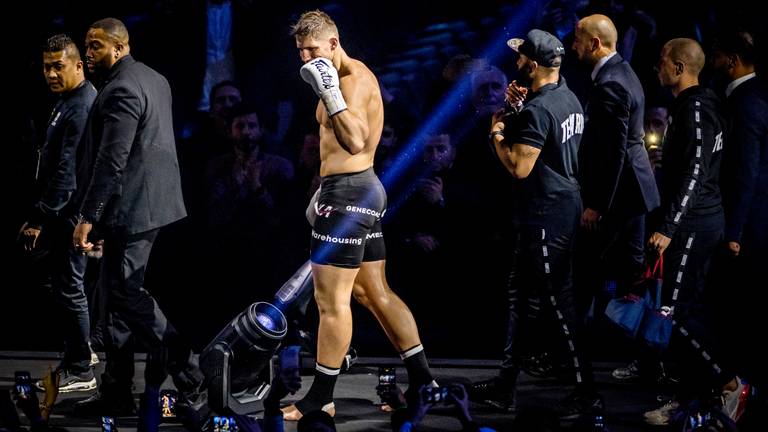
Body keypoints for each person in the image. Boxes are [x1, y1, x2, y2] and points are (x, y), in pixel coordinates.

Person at [281, 10, 435, 420]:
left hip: (350, 193)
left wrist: (330, 93)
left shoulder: (351, 80)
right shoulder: (345, 74)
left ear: (334, 43)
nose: (307, 60)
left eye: (314, 50)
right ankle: (424, 380)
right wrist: (320, 188)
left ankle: (320, 398)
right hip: (355, 189)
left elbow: (354, 140)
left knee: (330, 300)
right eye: (301, 52)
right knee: (372, 292)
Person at [72, 18, 200, 415]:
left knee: (126, 294)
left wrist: (87, 215)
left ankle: (190, 372)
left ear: (120, 46)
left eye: (96, 46)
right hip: (149, 203)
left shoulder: (122, 88)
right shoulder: (154, 78)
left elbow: (113, 160)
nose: (88, 54)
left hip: (133, 206)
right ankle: (116, 390)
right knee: (114, 296)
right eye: (87, 46)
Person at [471, 29, 601, 420]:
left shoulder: (539, 110)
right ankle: (506, 385)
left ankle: (588, 392)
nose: (516, 62)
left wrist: (497, 128)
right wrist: (518, 112)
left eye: (521, 57)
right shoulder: (567, 97)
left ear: (534, 63)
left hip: (547, 214)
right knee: (521, 297)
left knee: (558, 304)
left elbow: (519, 166)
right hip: (554, 209)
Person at [643, 38, 742, 426]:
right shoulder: (697, 105)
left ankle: (731, 384)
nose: (657, 68)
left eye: (662, 62)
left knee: (676, 316)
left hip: (693, 224)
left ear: (680, 68)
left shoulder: (698, 107)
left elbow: (696, 172)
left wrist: (669, 226)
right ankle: (691, 400)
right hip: (696, 221)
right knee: (685, 313)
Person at [17, 34, 98, 393]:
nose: (50, 74)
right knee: (62, 284)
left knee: (69, 287)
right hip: (61, 211)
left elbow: (67, 171)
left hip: (68, 213)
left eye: (58, 67)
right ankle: (82, 351)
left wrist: (39, 218)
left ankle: (81, 365)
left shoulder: (81, 104)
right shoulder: (65, 100)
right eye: (47, 67)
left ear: (78, 65)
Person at [570, 14, 660, 315]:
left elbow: (613, 152)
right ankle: (644, 358)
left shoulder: (612, 84)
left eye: (577, 40)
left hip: (620, 195)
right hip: (633, 191)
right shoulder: (622, 71)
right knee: (629, 274)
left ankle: (573, 356)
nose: (572, 46)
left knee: (588, 273)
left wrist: (596, 205)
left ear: (595, 43)